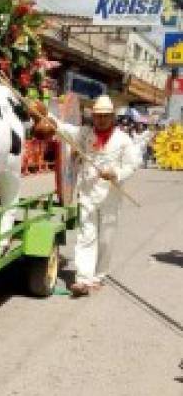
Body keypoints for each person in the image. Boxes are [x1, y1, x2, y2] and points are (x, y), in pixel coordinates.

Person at [29, 94, 138, 297]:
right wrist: (44, 116)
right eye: (98, 116)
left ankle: (99, 275)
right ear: (93, 116)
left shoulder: (123, 140)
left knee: (106, 237)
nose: (101, 120)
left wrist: (116, 173)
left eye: (105, 116)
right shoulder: (85, 133)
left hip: (110, 194)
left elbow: (132, 164)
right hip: (87, 191)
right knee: (86, 235)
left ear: (112, 117)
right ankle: (83, 279)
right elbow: (62, 128)